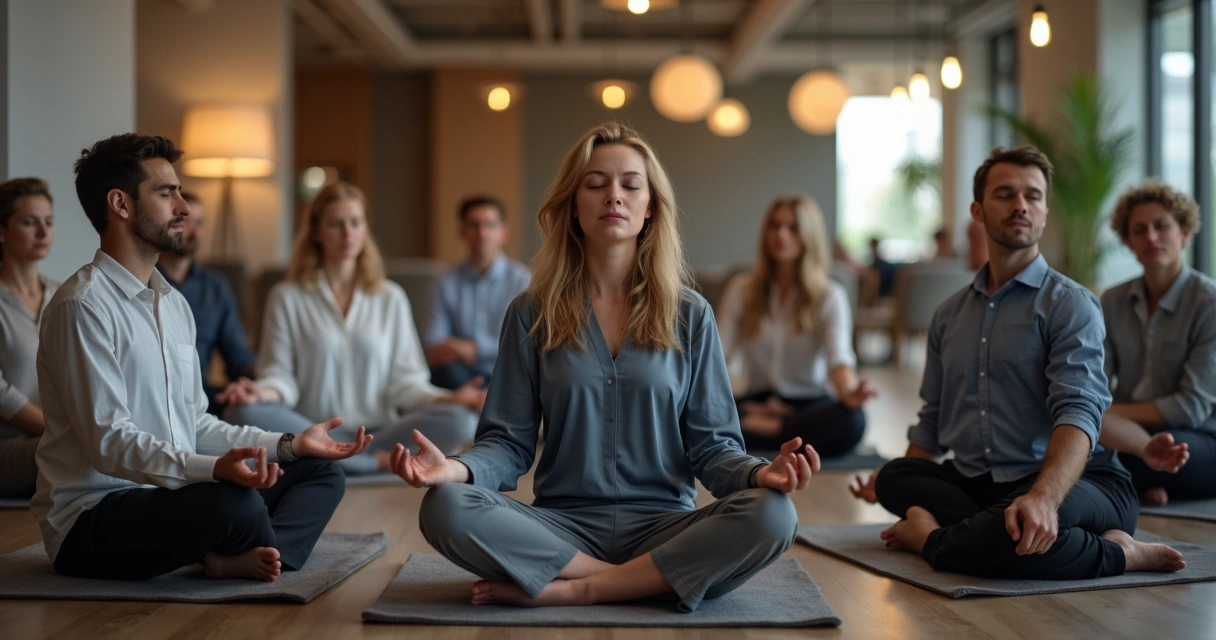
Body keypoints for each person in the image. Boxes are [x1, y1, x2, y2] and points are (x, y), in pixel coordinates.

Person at [391, 123, 818, 611]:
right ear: (574, 205)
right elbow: (508, 444)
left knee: (774, 516)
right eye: (595, 184)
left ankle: (579, 589)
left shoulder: (691, 314)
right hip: (561, 527)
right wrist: (457, 468)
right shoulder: (531, 312)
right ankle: (641, 583)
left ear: (651, 205)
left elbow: (712, 447)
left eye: (630, 185)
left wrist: (761, 476)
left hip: (666, 526)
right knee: (445, 505)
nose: (613, 196)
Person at [34, 133, 371, 581]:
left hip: (174, 497)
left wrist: (288, 445)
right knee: (231, 498)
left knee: (319, 472)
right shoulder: (82, 307)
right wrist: (212, 471)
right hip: (96, 516)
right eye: (165, 192)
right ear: (120, 204)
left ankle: (247, 553)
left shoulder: (173, 304)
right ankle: (232, 546)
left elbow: (196, 424)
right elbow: (109, 444)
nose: (183, 208)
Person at [849, 146, 1185, 579]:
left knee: (1017, 533)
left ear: (1044, 213)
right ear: (978, 209)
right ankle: (983, 529)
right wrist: (909, 477)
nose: (1020, 205)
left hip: (1078, 480)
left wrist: (1044, 496)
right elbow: (932, 419)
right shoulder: (948, 314)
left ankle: (1121, 552)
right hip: (982, 482)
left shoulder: (1072, 304)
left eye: (1033, 195)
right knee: (895, 477)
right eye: (1005, 194)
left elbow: (1080, 411)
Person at [222, 181, 483, 475]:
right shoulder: (287, 296)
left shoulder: (390, 297)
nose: (348, 233)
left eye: (355, 222)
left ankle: (345, 462)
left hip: (380, 434)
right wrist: (259, 394)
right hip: (313, 431)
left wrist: (450, 397)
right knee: (239, 412)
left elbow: (407, 384)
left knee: (463, 419)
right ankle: (375, 464)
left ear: (365, 229)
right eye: (336, 224)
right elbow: (280, 375)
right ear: (316, 231)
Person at [717, 193, 876, 457]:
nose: (781, 234)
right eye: (774, 225)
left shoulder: (830, 295)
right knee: (695, 411)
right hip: (755, 402)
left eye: (793, 228)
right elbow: (718, 358)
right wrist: (746, 410)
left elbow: (839, 361)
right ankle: (779, 433)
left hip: (808, 405)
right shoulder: (740, 290)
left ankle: (763, 431)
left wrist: (849, 393)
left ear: (808, 237)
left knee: (853, 421)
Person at [1098, 181, 1216, 506]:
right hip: (1121, 429)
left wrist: (1105, 413)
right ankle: (1141, 485)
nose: (1151, 237)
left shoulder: (1209, 303)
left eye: (1162, 226)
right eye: (1139, 230)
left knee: (1168, 447)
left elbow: (1190, 407)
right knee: (1069, 439)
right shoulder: (1112, 300)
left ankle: (1130, 483)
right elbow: (1097, 378)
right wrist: (1096, 416)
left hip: (1199, 436)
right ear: (1128, 241)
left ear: (1185, 233)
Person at [156, 192, 257, 416]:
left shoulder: (216, 287)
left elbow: (237, 354)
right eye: (186, 221)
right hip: (153, 393)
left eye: (199, 223)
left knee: (251, 410)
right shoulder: (144, 279)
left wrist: (249, 381)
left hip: (200, 396)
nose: (193, 231)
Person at [425, 196, 531, 390]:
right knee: (441, 371)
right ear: (461, 232)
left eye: (490, 225)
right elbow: (435, 342)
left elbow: (524, 342)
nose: (482, 233)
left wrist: (476, 349)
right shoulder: (445, 281)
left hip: (508, 372)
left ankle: (479, 401)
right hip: (459, 374)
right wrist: (468, 351)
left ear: (503, 231)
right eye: (474, 225)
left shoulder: (522, 280)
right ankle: (481, 400)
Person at [0, 178, 58, 498]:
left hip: (58, 437)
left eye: (48, 222)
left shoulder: (64, 294)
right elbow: (2, 395)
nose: (43, 232)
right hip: (7, 447)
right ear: (2, 230)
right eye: (29, 222)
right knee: (88, 453)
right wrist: (62, 430)